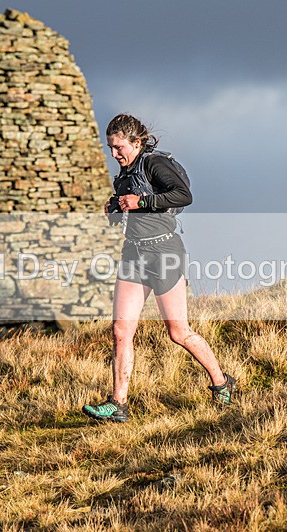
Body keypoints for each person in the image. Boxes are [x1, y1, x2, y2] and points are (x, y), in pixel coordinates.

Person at [82, 113, 236, 423]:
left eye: (119, 147)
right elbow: (126, 207)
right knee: (121, 330)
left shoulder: (154, 163)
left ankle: (221, 382)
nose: (114, 154)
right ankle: (118, 404)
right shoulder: (123, 174)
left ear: (136, 143)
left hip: (164, 252)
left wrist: (140, 203)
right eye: (110, 148)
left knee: (178, 332)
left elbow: (183, 196)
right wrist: (114, 207)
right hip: (134, 255)